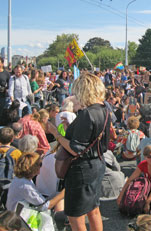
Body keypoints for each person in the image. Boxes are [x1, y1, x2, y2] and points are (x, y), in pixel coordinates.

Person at [47, 72, 110, 231]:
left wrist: (56, 134)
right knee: (93, 209)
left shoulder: (87, 113)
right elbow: (93, 138)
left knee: (75, 216)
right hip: (98, 163)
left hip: (82, 169)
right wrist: (71, 130)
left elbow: (76, 149)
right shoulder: (104, 108)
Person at [117, 145, 151, 211]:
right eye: (150, 157)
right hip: (150, 188)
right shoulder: (143, 164)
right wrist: (121, 196)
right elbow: (130, 179)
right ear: (145, 157)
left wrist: (148, 202)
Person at [0, 57, 11, 124]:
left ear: (2, 64)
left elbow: (10, 84)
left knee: (2, 113)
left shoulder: (6, 73)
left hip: (3, 97)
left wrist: (5, 89)